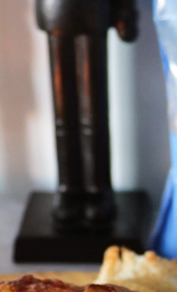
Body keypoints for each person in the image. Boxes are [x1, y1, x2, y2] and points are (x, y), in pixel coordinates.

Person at [35, 0, 139, 225]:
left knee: (94, 111)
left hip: (93, 11)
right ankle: (68, 189)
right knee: (64, 113)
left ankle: (98, 190)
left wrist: (125, 11)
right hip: (56, 10)